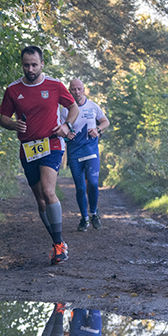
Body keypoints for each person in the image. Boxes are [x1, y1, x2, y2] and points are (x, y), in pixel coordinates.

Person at [0, 46, 79, 265]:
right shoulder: (14, 89)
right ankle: (56, 242)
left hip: (51, 144)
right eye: (26, 65)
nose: (30, 68)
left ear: (42, 64)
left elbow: (73, 108)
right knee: (40, 200)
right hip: (28, 148)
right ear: (22, 64)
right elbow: (3, 118)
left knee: (48, 190)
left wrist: (66, 125)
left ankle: (59, 244)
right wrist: (12, 123)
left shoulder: (54, 86)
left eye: (34, 64)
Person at [59, 79, 110, 232]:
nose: (77, 92)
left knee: (93, 183)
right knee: (81, 188)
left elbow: (105, 121)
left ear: (84, 90)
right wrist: (68, 135)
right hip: (75, 153)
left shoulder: (93, 106)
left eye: (79, 88)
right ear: (69, 91)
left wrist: (98, 130)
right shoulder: (65, 110)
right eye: (73, 89)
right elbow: (61, 132)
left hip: (91, 151)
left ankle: (94, 213)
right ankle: (84, 218)